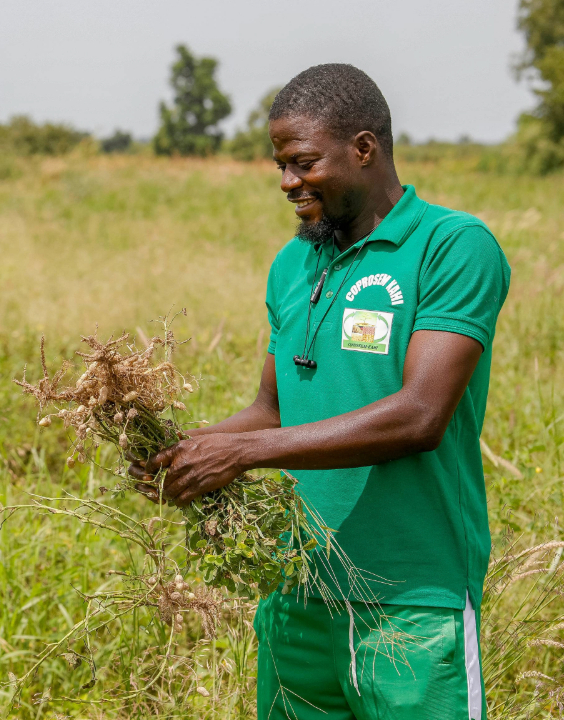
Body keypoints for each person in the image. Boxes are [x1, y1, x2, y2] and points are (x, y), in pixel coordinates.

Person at [133, 64, 511, 720]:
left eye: (303, 163)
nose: (287, 183)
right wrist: (187, 451)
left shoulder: (452, 247)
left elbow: (420, 415)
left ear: (363, 149)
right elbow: (271, 410)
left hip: (413, 601)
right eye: (279, 166)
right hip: (298, 594)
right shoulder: (294, 263)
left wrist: (247, 455)